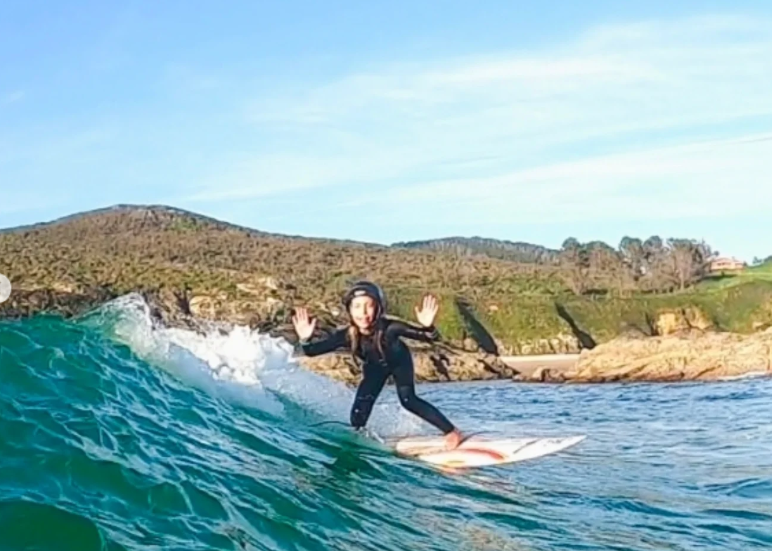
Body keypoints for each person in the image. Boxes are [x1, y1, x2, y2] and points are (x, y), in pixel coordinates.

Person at [291, 280, 463, 450]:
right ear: (349, 310)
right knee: (358, 413)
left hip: (399, 362)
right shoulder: (347, 335)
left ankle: (451, 432)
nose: (363, 312)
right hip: (374, 369)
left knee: (408, 400)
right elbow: (312, 351)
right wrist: (305, 339)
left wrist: (428, 327)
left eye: (369, 306)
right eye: (357, 306)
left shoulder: (391, 329)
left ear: (378, 308)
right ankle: (360, 440)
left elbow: (430, 338)